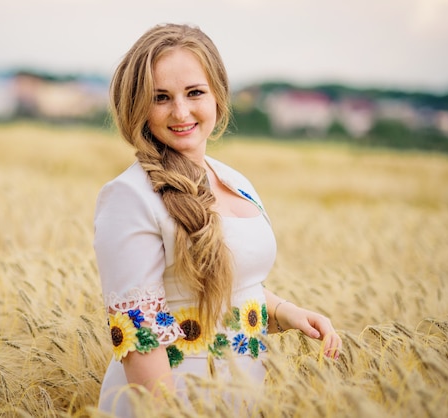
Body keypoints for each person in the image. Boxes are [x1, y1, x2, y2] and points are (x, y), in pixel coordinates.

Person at [93, 23, 342, 416]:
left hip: (238, 397)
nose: (181, 111)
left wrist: (285, 313)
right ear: (138, 106)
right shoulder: (129, 196)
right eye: (160, 98)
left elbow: (230, 283)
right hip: (172, 403)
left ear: (217, 96)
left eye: (195, 92)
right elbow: (141, 335)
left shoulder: (234, 180)